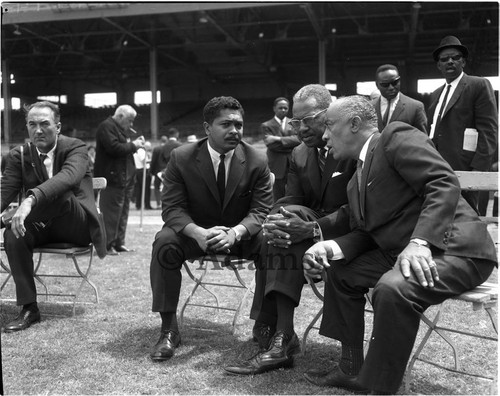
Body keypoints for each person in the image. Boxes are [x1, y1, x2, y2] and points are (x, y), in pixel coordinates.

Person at [300, 96, 496, 395]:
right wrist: (330, 247)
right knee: (341, 273)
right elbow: (366, 232)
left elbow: (442, 182)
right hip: (401, 254)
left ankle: (379, 388)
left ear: (354, 124)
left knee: (393, 288)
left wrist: (420, 242)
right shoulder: (354, 181)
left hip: (455, 250)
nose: (324, 135)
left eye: (328, 125)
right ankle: (350, 366)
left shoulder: (395, 137)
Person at [224, 84, 356, 375]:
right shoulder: (298, 153)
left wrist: (308, 227)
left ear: (329, 113)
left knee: (289, 224)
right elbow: (292, 200)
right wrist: (275, 220)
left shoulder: (351, 146)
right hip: (307, 228)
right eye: (296, 122)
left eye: (308, 119)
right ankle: (280, 334)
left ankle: (276, 331)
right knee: (277, 225)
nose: (300, 127)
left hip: (347, 231)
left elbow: (358, 210)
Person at [149, 96, 273, 361]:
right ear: (207, 128)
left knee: (270, 241)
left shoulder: (256, 159)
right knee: (164, 240)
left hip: (238, 235)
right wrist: (197, 233)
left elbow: (261, 211)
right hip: (197, 235)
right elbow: (172, 209)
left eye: (238, 124)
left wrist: (235, 232)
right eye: (226, 124)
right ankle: (169, 328)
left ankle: (264, 324)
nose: (235, 131)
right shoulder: (181, 157)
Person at [1, 101, 106, 332]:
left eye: (44, 124)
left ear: (58, 127)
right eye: (32, 124)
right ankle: (30, 308)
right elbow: (4, 193)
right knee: (13, 233)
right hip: (42, 226)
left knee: (62, 193)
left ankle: (8, 219)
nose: (38, 130)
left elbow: (68, 178)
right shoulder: (19, 155)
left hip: (76, 225)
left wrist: (29, 200)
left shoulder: (76, 147)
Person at [427, 35, 498, 212]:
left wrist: (477, 171)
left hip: (466, 168)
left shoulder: (478, 85)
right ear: (439, 65)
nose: (450, 61)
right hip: (437, 168)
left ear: (463, 62)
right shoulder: (435, 94)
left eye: (455, 57)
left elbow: (489, 130)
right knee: (442, 217)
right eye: (444, 59)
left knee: (469, 219)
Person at [94, 105, 144, 255]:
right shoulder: (106, 127)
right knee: (111, 212)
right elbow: (114, 148)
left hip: (125, 178)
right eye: (130, 120)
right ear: (120, 116)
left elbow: (121, 147)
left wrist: (132, 143)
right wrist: (134, 145)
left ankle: (119, 243)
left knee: (123, 212)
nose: (131, 124)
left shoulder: (120, 129)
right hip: (112, 178)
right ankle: (108, 245)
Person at [261, 97, 301, 201]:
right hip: (276, 164)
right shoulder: (266, 125)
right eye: (280, 108)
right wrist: (290, 144)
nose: (283, 110)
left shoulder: (293, 123)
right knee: (277, 193)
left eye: (285, 108)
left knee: (293, 191)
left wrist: (277, 138)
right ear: (274, 108)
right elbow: (271, 146)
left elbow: (299, 140)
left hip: (293, 162)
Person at [372, 64, 427, 133]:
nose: (391, 88)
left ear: (399, 80)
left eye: (395, 82)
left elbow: (422, 139)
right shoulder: (369, 107)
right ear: (377, 85)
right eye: (385, 84)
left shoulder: (415, 107)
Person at [133, 141, 153, 210]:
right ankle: (147, 205)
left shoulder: (137, 151)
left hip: (139, 171)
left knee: (139, 189)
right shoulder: (141, 151)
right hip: (143, 171)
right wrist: (151, 161)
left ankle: (138, 205)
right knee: (146, 189)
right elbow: (144, 161)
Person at [149, 135, 168, 208]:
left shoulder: (156, 149)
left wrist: (151, 171)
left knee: (156, 187)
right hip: (167, 171)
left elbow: (153, 161)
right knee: (166, 188)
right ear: (166, 141)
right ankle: (165, 203)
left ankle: (158, 203)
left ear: (160, 141)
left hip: (157, 171)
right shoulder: (168, 149)